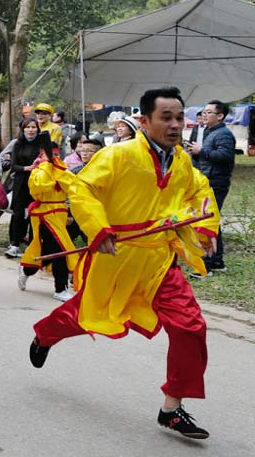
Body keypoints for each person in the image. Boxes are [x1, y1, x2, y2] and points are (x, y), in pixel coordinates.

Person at [29, 86, 220, 441]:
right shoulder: (119, 155)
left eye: (180, 117)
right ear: (144, 121)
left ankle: (171, 409)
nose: (176, 125)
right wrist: (99, 230)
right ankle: (45, 334)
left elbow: (200, 192)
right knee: (86, 314)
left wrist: (205, 226)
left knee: (191, 327)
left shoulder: (182, 161)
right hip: (116, 255)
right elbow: (83, 189)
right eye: (167, 117)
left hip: (160, 260)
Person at [17, 133, 77, 301]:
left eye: (57, 154)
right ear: (41, 154)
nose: (54, 157)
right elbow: (39, 187)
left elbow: (73, 187)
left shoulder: (62, 170)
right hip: (44, 215)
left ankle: (27, 270)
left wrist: (56, 168)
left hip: (59, 215)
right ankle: (60, 289)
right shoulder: (37, 171)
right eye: (51, 154)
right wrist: (46, 167)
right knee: (59, 251)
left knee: (48, 251)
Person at [189, 99, 235, 275]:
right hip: (207, 181)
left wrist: (202, 151)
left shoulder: (223, 134)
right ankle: (216, 261)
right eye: (204, 112)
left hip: (216, 182)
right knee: (212, 220)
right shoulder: (210, 131)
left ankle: (205, 266)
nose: (204, 115)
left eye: (209, 112)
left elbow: (225, 156)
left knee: (206, 220)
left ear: (220, 116)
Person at [4, 118, 42, 258]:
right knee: (18, 214)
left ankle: (33, 245)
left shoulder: (41, 144)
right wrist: (26, 168)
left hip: (37, 183)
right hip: (20, 183)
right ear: (23, 129)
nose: (31, 130)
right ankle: (14, 244)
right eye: (28, 127)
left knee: (34, 214)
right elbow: (13, 166)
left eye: (34, 127)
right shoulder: (18, 144)